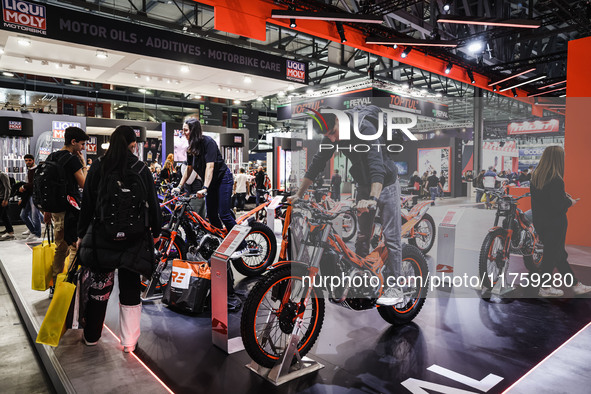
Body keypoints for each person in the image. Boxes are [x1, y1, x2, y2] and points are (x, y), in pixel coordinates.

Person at [292, 105, 403, 306]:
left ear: (338, 119)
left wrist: (373, 199)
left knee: (392, 237)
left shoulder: (366, 129)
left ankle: (397, 287)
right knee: (362, 236)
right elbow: (317, 163)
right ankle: (360, 280)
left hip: (385, 184)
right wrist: (298, 195)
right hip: (362, 184)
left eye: (333, 133)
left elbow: (376, 166)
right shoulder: (333, 136)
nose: (333, 139)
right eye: (328, 136)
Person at [77, 125, 161, 351]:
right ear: (132, 144)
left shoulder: (98, 167)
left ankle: (92, 336)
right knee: (131, 288)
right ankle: (129, 342)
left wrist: (81, 233)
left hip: (102, 237)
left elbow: (87, 205)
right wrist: (156, 232)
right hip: (134, 239)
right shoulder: (141, 168)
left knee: (99, 286)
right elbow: (153, 204)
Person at [530, 146, 591, 297]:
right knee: (552, 256)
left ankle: (575, 285)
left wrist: (562, 197)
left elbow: (545, 201)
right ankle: (546, 288)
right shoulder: (556, 180)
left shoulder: (536, 176)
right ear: (558, 159)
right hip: (555, 223)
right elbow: (558, 207)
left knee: (558, 255)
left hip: (541, 222)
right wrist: (569, 202)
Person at [43, 126, 89, 297]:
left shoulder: (51, 156)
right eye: (82, 144)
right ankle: (70, 282)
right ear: (73, 142)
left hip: (55, 209)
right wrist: (83, 165)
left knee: (60, 247)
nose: (83, 148)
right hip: (70, 210)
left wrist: (46, 211)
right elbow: (84, 184)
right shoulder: (72, 160)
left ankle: (55, 284)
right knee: (74, 246)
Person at [175, 118, 236, 232]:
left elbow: (210, 167)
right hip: (210, 183)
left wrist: (205, 188)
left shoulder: (208, 142)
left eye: (186, 130)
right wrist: (179, 186)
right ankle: (220, 242)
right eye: (182, 130)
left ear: (193, 130)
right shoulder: (191, 147)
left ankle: (241, 246)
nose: (183, 133)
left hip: (223, 179)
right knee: (212, 216)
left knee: (224, 215)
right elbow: (189, 168)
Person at [19, 154, 43, 240]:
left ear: (33, 160)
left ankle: (37, 233)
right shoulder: (29, 170)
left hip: (35, 195)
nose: (28, 162)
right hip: (28, 195)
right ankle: (32, 230)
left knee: (35, 215)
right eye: (26, 160)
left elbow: (36, 184)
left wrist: (24, 187)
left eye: (29, 160)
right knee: (23, 215)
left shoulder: (37, 170)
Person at [0, 168, 14, 240]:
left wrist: (5, 199)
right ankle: (10, 231)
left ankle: (10, 232)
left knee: (3, 216)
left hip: (2, 199)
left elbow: (8, 188)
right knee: (4, 216)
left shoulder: (2, 175)